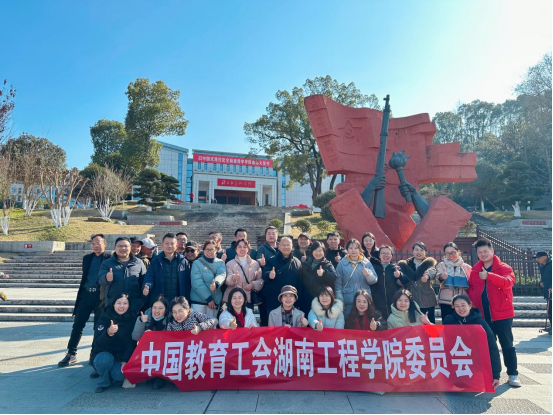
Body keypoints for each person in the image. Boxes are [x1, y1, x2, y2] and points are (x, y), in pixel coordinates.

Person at [468, 238, 521, 388]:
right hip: (483, 316)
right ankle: (490, 375)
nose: (483, 254)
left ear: (492, 251)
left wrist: (489, 276)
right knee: (487, 346)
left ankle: (513, 374)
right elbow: (471, 289)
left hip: (502, 314)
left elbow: (508, 282)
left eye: (485, 251)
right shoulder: (474, 271)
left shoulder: (504, 268)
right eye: (480, 252)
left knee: (507, 345)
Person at [59, 234, 112, 368]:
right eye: (93, 244)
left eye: (98, 243)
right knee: (78, 325)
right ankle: (71, 353)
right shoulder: (87, 258)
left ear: (105, 244)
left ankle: (94, 353)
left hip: (100, 297)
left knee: (98, 326)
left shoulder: (109, 258)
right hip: (86, 295)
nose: (95, 246)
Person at [444, 295, 501, 389]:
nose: (461, 309)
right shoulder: (450, 320)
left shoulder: (480, 323)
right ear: (453, 307)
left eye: (463, 305)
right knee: (459, 384)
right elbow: (441, 339)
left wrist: (496, 375)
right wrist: (429, 324)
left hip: (475, 360)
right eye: (457, 306)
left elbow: (492, 348)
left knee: (474, 384)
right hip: (456, 359)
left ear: (470, 305)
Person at [91, 294, 137, 394]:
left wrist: (125, 360)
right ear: (113, 304)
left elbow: (131, 343)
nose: (122, 306)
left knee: (119, 376)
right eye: (118, 303)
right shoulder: (104, 317)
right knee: (104, 360)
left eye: (125, 303)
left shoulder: (132, 317)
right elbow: (97, 343)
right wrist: (108, 333)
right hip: (103, 353)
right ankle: (104, 381)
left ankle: (110, 374)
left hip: (120, 357)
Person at [132, 295, 171, 390]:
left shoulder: (170, 319)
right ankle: (152, 373)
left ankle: (161, 377)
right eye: (154, 308)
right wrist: (141, 322)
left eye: (160, 308)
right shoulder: (146, 317)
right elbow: (135, 337)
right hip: (150, 352)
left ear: (166, 309)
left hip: (165, 353)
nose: (157, 311)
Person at [98, 237, 147, 315]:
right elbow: (100, 280)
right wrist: (106, 278)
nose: (123, 248)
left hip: (133, 306)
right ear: (115, 247)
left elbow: (144, 282)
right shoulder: (107, 263)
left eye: (126, 246)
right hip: (113, 305)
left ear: (130, 247)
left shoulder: (139, 263)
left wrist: (141, 300)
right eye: (120, 246)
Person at [142, 233, 191, 309]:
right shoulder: (155, 261)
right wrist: (147, 286)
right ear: (162, 245)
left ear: (176, 245)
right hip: (160, 302)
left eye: (172, 243)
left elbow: (188, 283)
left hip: (178, 302)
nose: (169, 246)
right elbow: (149, 278)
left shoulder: (183, 262)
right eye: (167, 243)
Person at [262, 237, 303, 319]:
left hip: (291, 303)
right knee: (274, 326)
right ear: (279, 246)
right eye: (283, 245)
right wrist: (269, 275)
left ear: (292, 246)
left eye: (288, 245)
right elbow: (264, 275)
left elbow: (300, 283)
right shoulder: (271, 260)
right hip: (274, 301)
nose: (286, 247)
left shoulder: (297, 262)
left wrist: (298, 302)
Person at [397, 242, 438, 324]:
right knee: (412, 324)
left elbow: (432, 271)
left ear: (425, 252)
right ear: (413, 251)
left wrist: (427, 276)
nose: (419, 252)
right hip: (410, 297)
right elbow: (401, 276)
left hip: (426, 298)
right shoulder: (405, 264)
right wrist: (399, 279)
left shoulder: (429, 263)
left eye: (421, 250)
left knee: (428, 323)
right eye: (416, 250)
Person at [335, 239, 378, 315]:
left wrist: (369, 275)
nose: (353, 250)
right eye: (351, 248)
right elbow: (338, 283)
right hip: (348, 298)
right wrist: (340, 299)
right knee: (349, 319)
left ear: (359, 249)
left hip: (364, 298)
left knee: (365, 318)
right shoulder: (341, 264)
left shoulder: (366, 263)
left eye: (356, 248)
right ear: (347, 249)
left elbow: (374, 280)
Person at [436, 242, 472, 322]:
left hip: (462, 301)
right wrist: (441, 277)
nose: (450, 255)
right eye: (447, 253)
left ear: (458, 252)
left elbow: (472, 283)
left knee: (462, 325)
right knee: (447, 324)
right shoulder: (442, 265)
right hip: (446, 301)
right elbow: (437, 280)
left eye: (453, 252)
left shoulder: (466, 267)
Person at [299, 241, 337, 315]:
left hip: (321, 299)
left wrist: (324, 273)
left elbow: (334, 277)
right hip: (306, 299)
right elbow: (300, 281)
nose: (318, 253)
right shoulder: (306, 264)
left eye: (320, 251)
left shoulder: (327, 264)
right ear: (312, 252)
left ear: (324, 252)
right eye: (315, 251)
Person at [191, 240, 227, 317]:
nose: (209, 252)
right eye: (207, 249)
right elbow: (196, 282)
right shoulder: (196, 263)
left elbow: (221, 275)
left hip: (215, 300)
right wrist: (208, 298)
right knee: (196, 323)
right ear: (203, 250)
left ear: (216, 250)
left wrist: (216, 284)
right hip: (199, 301)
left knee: (212, 323)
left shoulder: (220, 262)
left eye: (212, 249)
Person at [224, 239, 263, 308]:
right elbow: (227, 281)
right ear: (236, 249)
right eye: (239, 247)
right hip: (234, 298)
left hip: (248, 298)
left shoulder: (255, 264)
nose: (242, 249)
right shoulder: (229, 264)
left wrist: (253, 285)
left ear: (248, 249)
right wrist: (233, 277)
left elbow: (260, 280)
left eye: (245, 247)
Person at [369, 245, 404, 319]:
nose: (386, 255)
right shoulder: (374, 268)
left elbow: (405, 280)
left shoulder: (396, 268)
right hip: (378, 303)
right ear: (379, 255)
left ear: (392, 255)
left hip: (393, 303)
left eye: (388, 253)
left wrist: (400, 275)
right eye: (383, 253)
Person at [256, 226, 279, 326]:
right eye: (269, 233)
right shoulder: (262, 248)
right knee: (265, 317)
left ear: (277, 235)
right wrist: (260, 262)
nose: (271, 235)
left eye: (273, 233)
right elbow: (257, 259)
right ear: (265, 236)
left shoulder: (281, 247)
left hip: (279, 285)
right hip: (266, 287)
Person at [535, 251, 552, 334]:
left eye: (539, 258)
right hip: (547, 290)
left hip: (551, 289)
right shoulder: (542, 265)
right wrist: (541, 281)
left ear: (545, 257)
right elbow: (543, 276)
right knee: (550, 310)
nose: (537, 259)